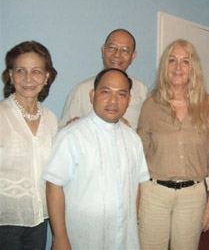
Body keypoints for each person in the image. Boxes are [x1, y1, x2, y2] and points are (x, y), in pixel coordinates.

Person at [43, 68, 149, 249]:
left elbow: (136, 185)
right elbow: (53, 186)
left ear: (129, 100)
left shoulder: (133, 139)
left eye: (121, 94)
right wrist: (60, 237)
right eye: (105, 92)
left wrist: (134, 221)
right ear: (93, 95)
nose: (113, 100)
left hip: (124, 238)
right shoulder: (71, 136)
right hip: (83, 238)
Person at [137, 39, 209, 249]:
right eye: (172, 60)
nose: (178, 67)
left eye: (185, 61)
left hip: (193, 195)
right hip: (154, 193)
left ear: (193, 68)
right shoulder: (151, 104)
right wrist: (135, 196)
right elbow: (139, 153)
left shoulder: (208, 105)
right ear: (165, 66)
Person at [0, 41, 58, 249]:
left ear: (46, 77)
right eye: (21, 71)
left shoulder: (51, 119)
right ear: (10, 75)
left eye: (36, 71)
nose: (28, 79)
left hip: (40, 219)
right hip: (5, 221)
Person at [59, 28, 147, 128]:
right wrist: (71, 126)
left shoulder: (141, 90)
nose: (117, 54)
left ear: (133, 56)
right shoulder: (81, 90)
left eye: (125, 50)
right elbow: (61, 132)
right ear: (103, 50)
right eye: (112, 48)